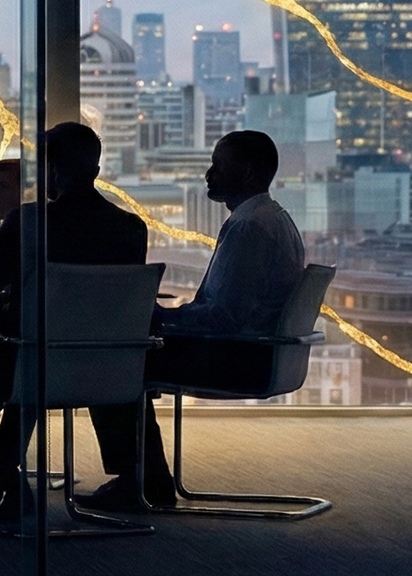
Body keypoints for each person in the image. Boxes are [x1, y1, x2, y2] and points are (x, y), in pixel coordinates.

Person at [79, 129, 307, 510]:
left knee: (113, 359)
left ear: (248, 173)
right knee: (127, 353)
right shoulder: (273, 218)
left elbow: (225, 317)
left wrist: (161, 317)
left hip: (237, 357)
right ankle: (147, 478)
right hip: (258, 353)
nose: (208, 174)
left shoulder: (250, 227)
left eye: (218, 165)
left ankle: (139, 482)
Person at [0, 122, 146, 522]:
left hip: (26, 364)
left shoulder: (29, 223)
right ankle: (1, 488)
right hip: (104, 370)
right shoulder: (131, 228)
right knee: (26, 352)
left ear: (51, 170)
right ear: (95, 171)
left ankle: (3, 484)